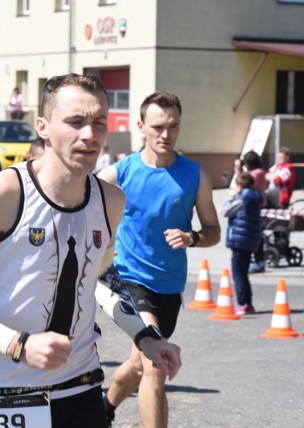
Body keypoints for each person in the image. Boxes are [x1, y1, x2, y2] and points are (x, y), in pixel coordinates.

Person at [0, 73, 181, 427]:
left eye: (98, 122)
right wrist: (18, 345)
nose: (89, 135)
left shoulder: (110, 200)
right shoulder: (4, 192)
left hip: (81, 388)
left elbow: (100, 277)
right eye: (75, 122)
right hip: (6, 394)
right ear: (43, 126)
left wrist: (145, 338)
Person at [99, 91, 221, 428]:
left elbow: (214, 231)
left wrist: (192, 237)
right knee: (155, 367)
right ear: (141, 126)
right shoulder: (117, 174)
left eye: (173, 127)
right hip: (130, 280)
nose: (165, 135)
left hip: (170, 286)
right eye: (157, 127)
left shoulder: (196, 175)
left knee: (139, 362)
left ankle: (103, 408)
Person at [222, 172, 263, 315]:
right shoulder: (255, 197)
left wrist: (231, 195)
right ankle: (249, 304)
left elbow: (225, 211)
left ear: (240, 185)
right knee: (244, 273)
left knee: (238, 274)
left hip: (239, 240)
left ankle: (242, 303)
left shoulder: (242, 198)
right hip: (250, 239)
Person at [243, 151, 269, 273]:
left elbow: (243, 183)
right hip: (254, 207)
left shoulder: (256, 173)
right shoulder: (260, 172)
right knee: (255, 235)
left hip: (255, 208)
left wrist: (239, 171)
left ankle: (258, 262)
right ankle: (257, 261)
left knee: (255, 236)